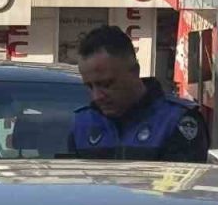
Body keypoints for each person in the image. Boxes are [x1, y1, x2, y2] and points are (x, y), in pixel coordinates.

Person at [69, 25, 209, 162]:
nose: (97, 96)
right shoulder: (83, 124)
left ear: (135, 71)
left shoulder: (176, 121)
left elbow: (182, 177)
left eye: (106, 84)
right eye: (89, 86)